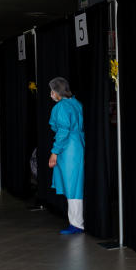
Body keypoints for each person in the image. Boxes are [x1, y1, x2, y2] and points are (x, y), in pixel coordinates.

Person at [48, 77, 85, 235]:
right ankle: (76, 221)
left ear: (57, 91)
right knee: (75, 184)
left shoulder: (61, 107)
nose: (51, 94)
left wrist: (54, 152)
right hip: (77, 145)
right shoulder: (76, 103)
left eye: (52, 91)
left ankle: (76, 223)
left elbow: (63, 130)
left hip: (68, 148)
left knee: (72, 185)